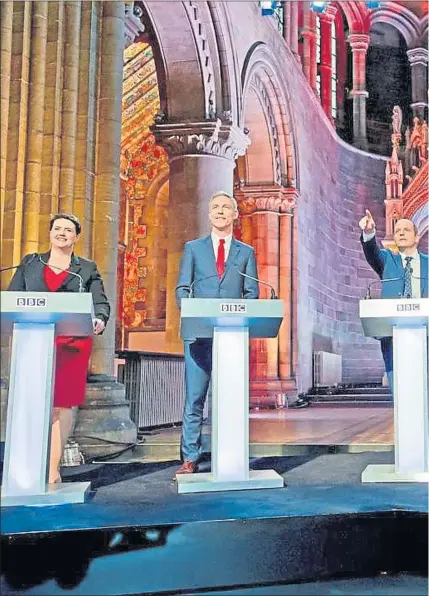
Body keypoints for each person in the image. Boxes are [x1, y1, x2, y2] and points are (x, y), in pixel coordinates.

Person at [8, 213, 110, 483]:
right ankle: (24, 467)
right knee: (31, 401)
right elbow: (12, 297)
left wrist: (99, 318)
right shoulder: (31, 263)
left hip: (71, 344)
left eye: (68, 230)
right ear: (50, 233)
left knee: (61, 405)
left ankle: (53, 469)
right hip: (33, 341)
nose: (62, 233)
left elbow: (100, 302)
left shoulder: (85, 269)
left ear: (76, 237)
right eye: (57, 228)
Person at [175, 191, 259, 476]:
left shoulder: (245, 253)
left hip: (232, 337)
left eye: (226, 207)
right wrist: (189, 310)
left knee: (231, 397)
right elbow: (182, 288)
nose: (221, 211)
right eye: (215, 207)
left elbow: (252, 293)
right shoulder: (193, 248)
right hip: (198, 336)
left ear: (235, 214)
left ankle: (232, 454)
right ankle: (189, 457)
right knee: (195, 398)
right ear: (209, 214)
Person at [359, 209, 428, 393]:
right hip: (392, 337)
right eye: (398, 231)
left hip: (425, 334)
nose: (402, 233)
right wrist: (369, 232)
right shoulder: (387, 259)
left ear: (416, 236)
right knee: (399, 388)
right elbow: (372, 252)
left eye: (406, 230)